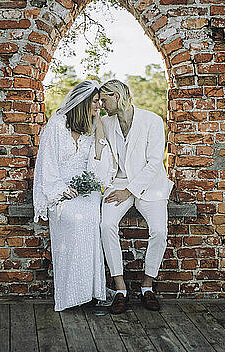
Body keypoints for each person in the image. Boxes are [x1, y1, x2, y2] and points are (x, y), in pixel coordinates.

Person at [33, 80, 115, 312]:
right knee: (74, 220)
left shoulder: (90, 127)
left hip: (85, 189)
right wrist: (60, 189)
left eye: (100, 102)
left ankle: (93, 291)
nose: (98, 106)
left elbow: (99, 162)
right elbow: (46, 164)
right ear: (82, 102)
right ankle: (72, 294)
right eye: (95, 102)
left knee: (91, 218)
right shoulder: (57, 125)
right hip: (59, 187)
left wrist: (98, 124)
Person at [99, 79, 174, 314]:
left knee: (160, 231)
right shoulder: (104, 122)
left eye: (104, 99)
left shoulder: (152, 120)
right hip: (118, 183)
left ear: (117, 97)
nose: (101, 104)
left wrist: (129, 191)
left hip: (150, 186)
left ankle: (147, 286)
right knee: (106, 224)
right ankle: (120, 289)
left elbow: (154, 163)